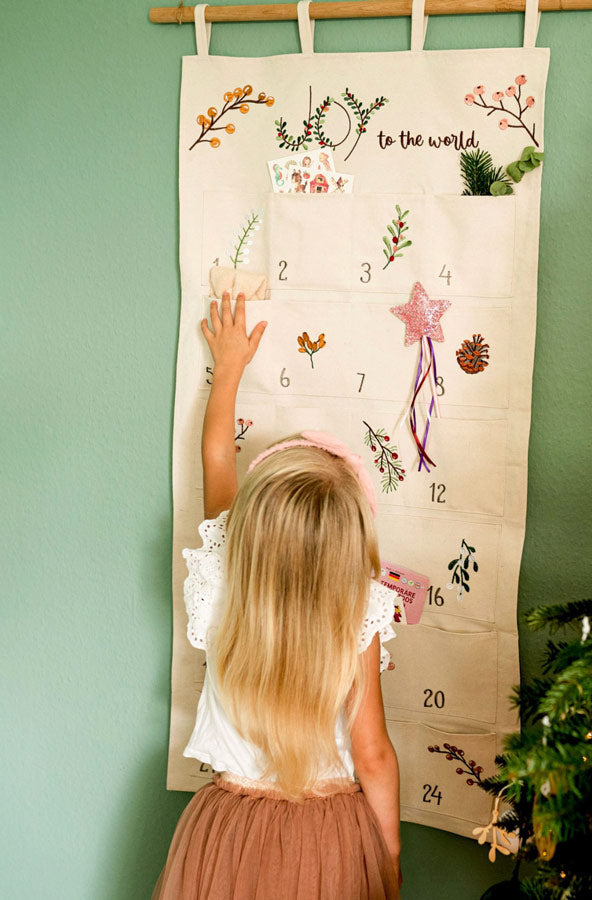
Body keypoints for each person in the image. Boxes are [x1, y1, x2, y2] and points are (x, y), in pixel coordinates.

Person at [154, 293, 401, 899]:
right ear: (350, 545)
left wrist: (229, 365)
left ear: (249, 527)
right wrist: (389, 861)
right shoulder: (357, 617)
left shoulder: (219, 577)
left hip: (226, 832)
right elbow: (373, 755)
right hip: (330, 843)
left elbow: (216, 455)